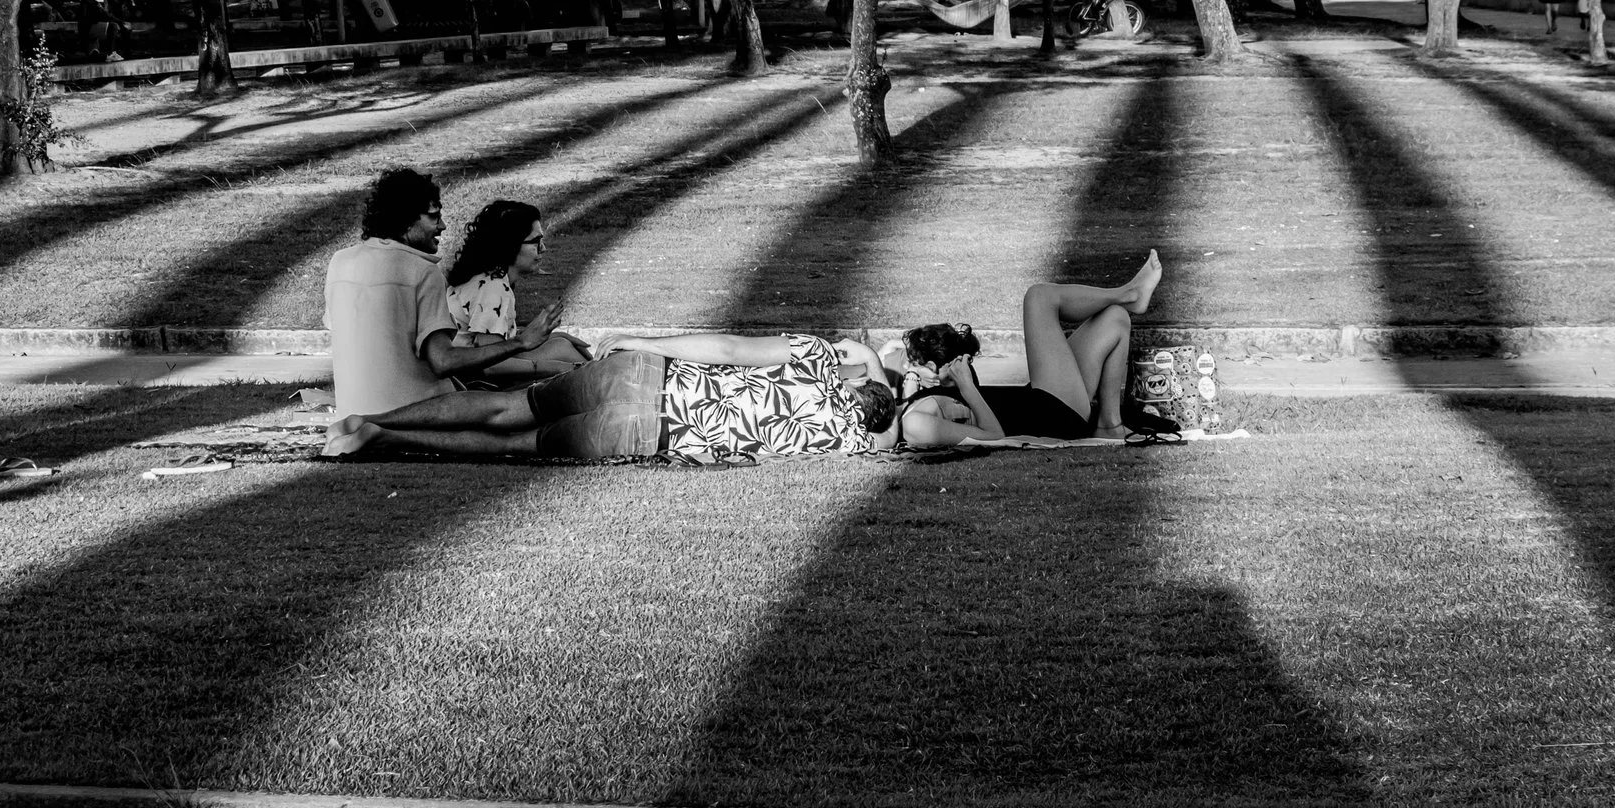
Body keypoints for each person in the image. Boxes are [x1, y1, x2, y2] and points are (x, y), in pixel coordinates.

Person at [320, 329, 896, 463]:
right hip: (646, 434)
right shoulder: (847, 440)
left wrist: (644, 342)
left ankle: (370, 417)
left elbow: (724, 348)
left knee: (508, 406)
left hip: (647, 374)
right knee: (514, 444)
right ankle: (381, 436)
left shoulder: (816, 355)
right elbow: (893, 435)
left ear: (857, 378)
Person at [324, 169, 554, 421]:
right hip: (412, 411)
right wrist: (521, 342)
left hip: (351, 411)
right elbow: (443, 361)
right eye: (434, 217)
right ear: (405, 219)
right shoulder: (423, 271)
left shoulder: (339, 262)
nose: (443, 226)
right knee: (534, 403)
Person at [885, 253, 1163, 449]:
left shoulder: (921, 396)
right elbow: (994, 436)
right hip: (1052, 417)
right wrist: (965, 386)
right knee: (1039, 298)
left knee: (1115, 319)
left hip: (1041, 400)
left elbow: (883, 355)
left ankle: (1109, 425)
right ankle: (1129, 294)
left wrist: (947, 380)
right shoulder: (916, 421)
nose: (907, 370)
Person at [441, 199, 589, 382]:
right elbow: (491, 365)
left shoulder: (488, 278)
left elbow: (495, 343)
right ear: (510, 245)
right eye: (536, 242)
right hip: (468, 382)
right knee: (562, 350)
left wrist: (552, 336)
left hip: (465, 374)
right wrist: (559, 368)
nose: (543, 249)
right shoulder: (493, 287)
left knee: (561, 343)